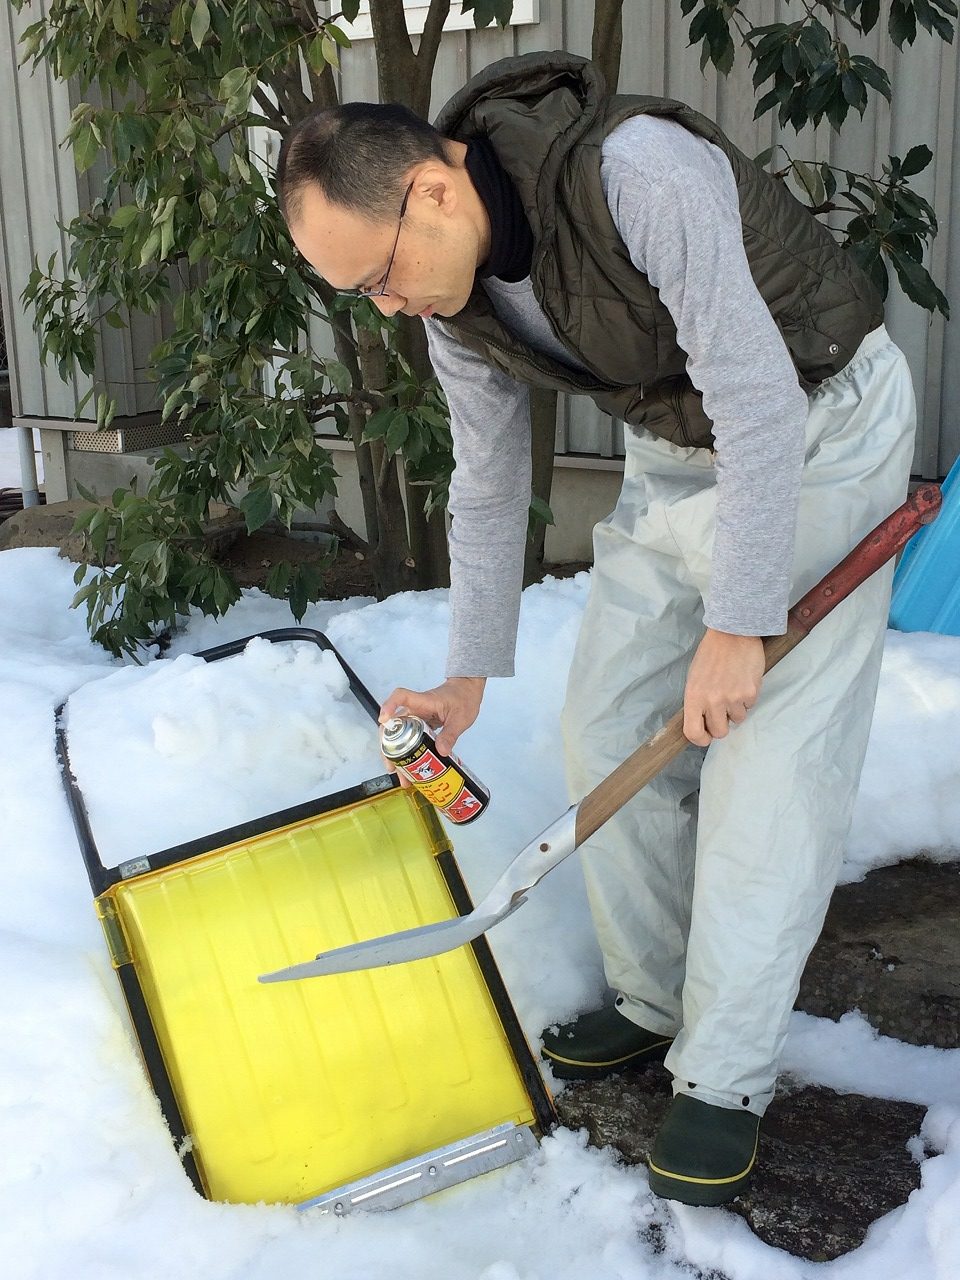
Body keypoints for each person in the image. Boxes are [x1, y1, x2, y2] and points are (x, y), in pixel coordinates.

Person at [275, 51, 916, 1205]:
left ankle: (722, 1076)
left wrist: (741, 619)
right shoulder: (449, 293)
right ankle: (657, 998)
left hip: (816, 427)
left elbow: (761, 399)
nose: (386, 304)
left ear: (429, 189)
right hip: (679, 446)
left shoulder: (639, 174)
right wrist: (467, 675)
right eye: (356, 294)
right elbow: (484, 478)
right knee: (607, 723)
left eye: (378, 274)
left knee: (769, 766)